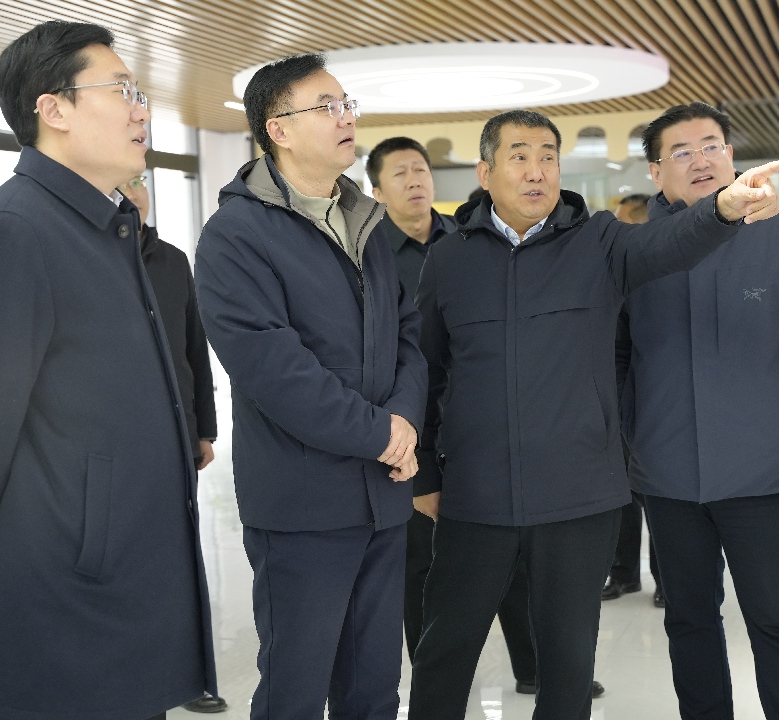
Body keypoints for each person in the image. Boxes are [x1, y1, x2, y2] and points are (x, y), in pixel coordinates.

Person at [408, 108, 779, 720]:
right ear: (485, 172)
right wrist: (425, 472)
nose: (537, 171)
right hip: (476, 495)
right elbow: (426, 370)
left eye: (548, 157)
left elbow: (669, 243)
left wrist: (723, 208)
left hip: (580, 497)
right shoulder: (450, 259)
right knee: (443, 653)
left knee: (568, 665)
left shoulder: (601, 242)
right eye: (519, 157)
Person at [0, 21, 217, 720]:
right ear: (53, 110)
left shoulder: (101, 227)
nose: (142, 110)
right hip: (67, 588)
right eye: (122, 91)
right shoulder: (16, 229)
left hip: (120, 571)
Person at [194, 55, 427, 720]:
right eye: (327, 106)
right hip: (302, 505)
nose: (345, 116)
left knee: (373, 689)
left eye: (347, 104)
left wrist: (405, 419)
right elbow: (275, 371)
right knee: (295, 690)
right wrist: (383, 433)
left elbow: (407, 335)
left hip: (383, 496)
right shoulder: (236, 235)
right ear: (280, 130)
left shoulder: (366, 221)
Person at [625, 102, 779, 720]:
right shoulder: (634, 251)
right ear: (655, 172)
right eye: (681, 151)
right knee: (689, 623)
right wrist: (634, 430)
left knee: (777, 622)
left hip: (764, 472)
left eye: (712, 145)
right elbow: (612, 354)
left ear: (731, 155)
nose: (701, 159)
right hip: (667, 476)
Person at [365, 139, 602, 698]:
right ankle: (437, 680)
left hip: (495, 443)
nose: (415, 181)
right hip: (421, 440)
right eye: (400, 173)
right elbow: (415, 362)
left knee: (517, 568)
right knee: (427, 577)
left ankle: (532, 666)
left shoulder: (468, 240)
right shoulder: (373, 256)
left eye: (421, 170)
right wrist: (421, 464)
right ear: (376, 192)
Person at [118, 175, 226, 715]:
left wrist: (204, 428)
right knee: (133, 568)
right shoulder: (94, 257)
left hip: (176, 433)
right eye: (123, 185)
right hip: (119, 443)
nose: (133, 194)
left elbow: (194, 347)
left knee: (181, 564)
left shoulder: (173, 260)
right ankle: (142, 681)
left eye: (140, 184)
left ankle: (188, 677)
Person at [609, 192, 664, 608]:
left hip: (655, 405)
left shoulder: (661, 270)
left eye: (622, 222)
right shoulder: (615, 269)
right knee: (621, 495)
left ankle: (665, 579)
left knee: (657, 497)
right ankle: (624, 573)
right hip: (618, 401)